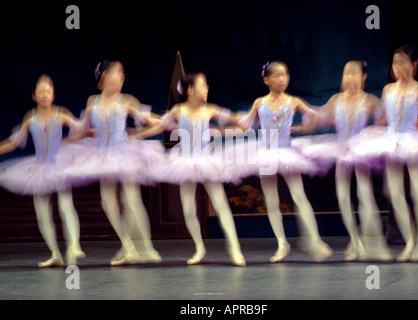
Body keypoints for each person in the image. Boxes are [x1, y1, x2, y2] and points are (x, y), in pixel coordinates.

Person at [132, 72, 246, 266]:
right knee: (188, 207)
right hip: (184, 161)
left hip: (206, 160)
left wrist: (248, 118)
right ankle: (199, 247)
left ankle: (234, 247)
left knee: (220, 203)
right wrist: (137, 134)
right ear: (191, 90)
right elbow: (160, 127)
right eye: (203, 85)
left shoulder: (209, 110)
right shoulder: (178, 111)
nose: (207, 89)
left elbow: (233, 118)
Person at [350, 45, 418, 261]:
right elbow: (385, 119)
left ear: (413, 66)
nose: (397, 67)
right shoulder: (388, 89)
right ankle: (411, 241)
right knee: (394, 193)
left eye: (402, 62)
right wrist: (368, 132)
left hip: (412, 141)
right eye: (394, 63)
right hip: (392, 141)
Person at [66, 60, 165, 266]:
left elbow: (159, 123)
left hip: (124, 152)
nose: (122, 76)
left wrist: (139, 133)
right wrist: (65, 141)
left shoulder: (126, 100)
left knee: (131, 199)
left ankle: (145, 246)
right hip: (103, 155)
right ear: (104, 77)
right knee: (108, 202)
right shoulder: (92, 101)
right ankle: (128, 247)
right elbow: (85, 131)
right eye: (118, 72)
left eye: (123, 73)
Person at [292, 60, 392, 261]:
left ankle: (370, 239)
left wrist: (372, 132)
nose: (349, 78)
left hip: (360, 150)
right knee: (343, 197)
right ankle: (355, 241)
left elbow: (386, 120)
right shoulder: (335, 99)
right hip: (340, 148)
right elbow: (319, 121)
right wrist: (294, 129)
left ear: (363, 77)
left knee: (364, 194)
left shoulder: (370, 100)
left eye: (354, 73)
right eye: (346, 73)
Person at [238, 61, 333, 263]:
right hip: (265, 153)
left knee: (299, 195)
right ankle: (282, 243)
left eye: (286, 74)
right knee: (271, 200)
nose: (283, 79)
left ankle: (314, 238)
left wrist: (300, 129)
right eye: (278, 75)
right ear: (267, 79)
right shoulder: (259, 103)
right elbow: (247, 124)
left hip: (287, 152)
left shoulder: (294, 101)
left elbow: (317, 117)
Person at [0, 74, 85, 267]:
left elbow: (81, 130)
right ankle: (55, 254)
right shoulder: (30, 117)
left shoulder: (61, 113)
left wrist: (69, 141)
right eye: (41, 91)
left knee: (65, 205)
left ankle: (74, 245)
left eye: (48, 91)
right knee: (42, 213)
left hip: (59, 165)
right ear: (34, 95)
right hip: (38, 167)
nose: (45, 95)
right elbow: (14, 142)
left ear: (53, 95)